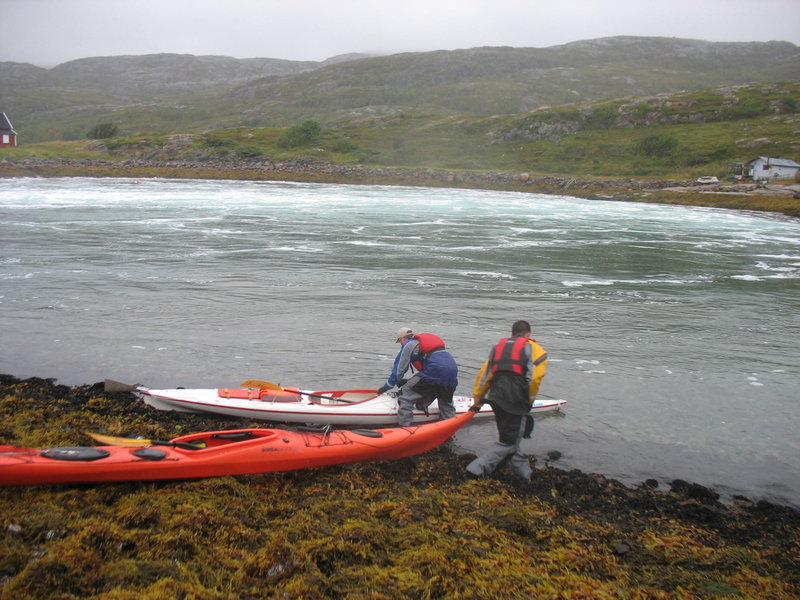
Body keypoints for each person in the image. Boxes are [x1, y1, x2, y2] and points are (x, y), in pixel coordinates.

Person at [466, 320, 548, 481]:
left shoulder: (498, 348)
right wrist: (529, 402)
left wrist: (478, 401)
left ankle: (526, 477)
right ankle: (476, 468)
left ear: (512, 333)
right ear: (529, 334)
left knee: (510, 439)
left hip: (496, 398)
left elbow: (484, 376)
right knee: (508, 443)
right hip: (515, 400)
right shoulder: (534, 349)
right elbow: (535, 378)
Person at [377, 327, 458, 426]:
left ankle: (405, 428)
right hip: (452, 371)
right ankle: (448, 429)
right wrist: (408, 381)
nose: (401, 344)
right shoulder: (422, 344)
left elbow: (399, 370)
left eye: (399, 341)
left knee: (406, 393)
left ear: (403, 339)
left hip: (434, 371)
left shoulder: (408, 345)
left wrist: (387, 386)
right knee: (446, 404)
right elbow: (431, 370)